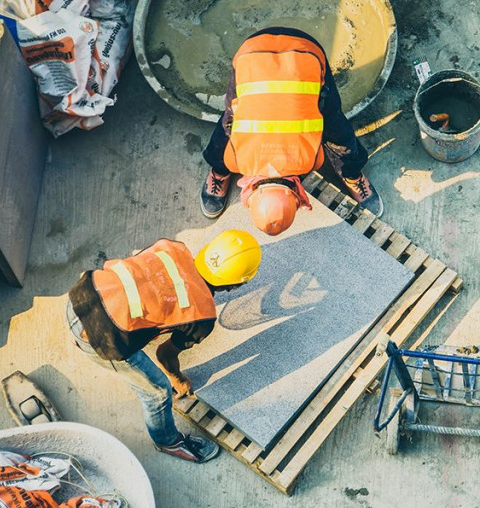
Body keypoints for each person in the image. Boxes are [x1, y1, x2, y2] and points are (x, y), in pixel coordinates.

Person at [66, 230, 262, 462]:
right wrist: (177, 378)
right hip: (98, 336)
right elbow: (164, 354)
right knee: (158, 392)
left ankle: (83, 335)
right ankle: (167, 441)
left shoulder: (173, 248)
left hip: (81, 295)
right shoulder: (202, 317)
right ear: (234, 286)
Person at [199, 26, 383, 234]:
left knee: (334, 128)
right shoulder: (238, 159)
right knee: (228, 125)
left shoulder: (307, 161)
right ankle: (218, 172)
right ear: (248, 186)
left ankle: (352, 173)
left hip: (299, 53)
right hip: (258, 53)